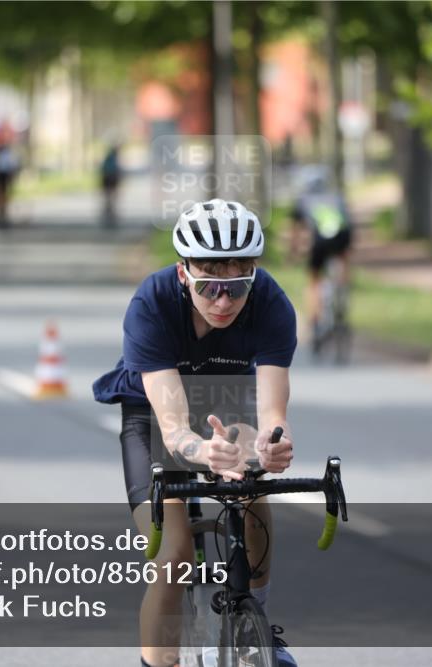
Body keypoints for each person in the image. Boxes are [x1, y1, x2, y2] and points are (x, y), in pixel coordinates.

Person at [93, 199, 298, 667]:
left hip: (224, 400)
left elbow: (271, 408)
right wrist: (200, 451)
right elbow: (174, 428)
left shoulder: (271, 303)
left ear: (254, 277)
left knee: (251, 480)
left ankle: (261, 627)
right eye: (208, 285)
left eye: (237, 287)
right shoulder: (153, 303)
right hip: (152, 411)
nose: (223, 301)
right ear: (184, 273)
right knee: (176, 556)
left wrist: (272, 443)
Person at [289, 169, 353, 344]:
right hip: (342, 236)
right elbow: (348, 222)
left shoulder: (303, 200)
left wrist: (293, 253)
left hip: (319, 240)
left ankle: (315, 320)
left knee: (313, 280)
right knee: (343, 258)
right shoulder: (337, 197)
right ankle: (343, 290)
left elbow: (296, 233)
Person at [0, 121, 20, 228]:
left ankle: (3, 214)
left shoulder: (6, 149)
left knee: (5, 195)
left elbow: (10, 162)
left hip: (5, 173)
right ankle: (0, 214)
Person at [100, 142, 123, 227]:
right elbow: (116, 171)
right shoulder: (113, 158)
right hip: (110, 180)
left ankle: (109, 212)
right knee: (111, 197)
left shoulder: (110, 158)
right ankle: (109, 212)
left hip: (108, 180)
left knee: (109, 197)